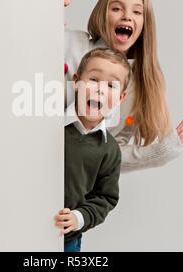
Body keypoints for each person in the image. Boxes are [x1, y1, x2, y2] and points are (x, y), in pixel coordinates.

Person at [63, 0, 183, 173]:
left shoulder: (137, 87)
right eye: (116, 8)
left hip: (74, 186)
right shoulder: (73, 43)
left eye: (137, 12)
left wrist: (158, 153)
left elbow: (110, 153)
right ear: (102, 14)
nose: (126, 16)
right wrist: (45, 10)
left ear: (144, 24)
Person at [54, 47, 131, 252]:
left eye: (111, 85)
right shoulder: (50, 125)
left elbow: (105, 197)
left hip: (67, 238)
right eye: (94, 80)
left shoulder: (110, 150)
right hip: (25, 227)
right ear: (77, 82)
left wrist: (79, 218)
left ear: (121, 98)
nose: (101, 90)